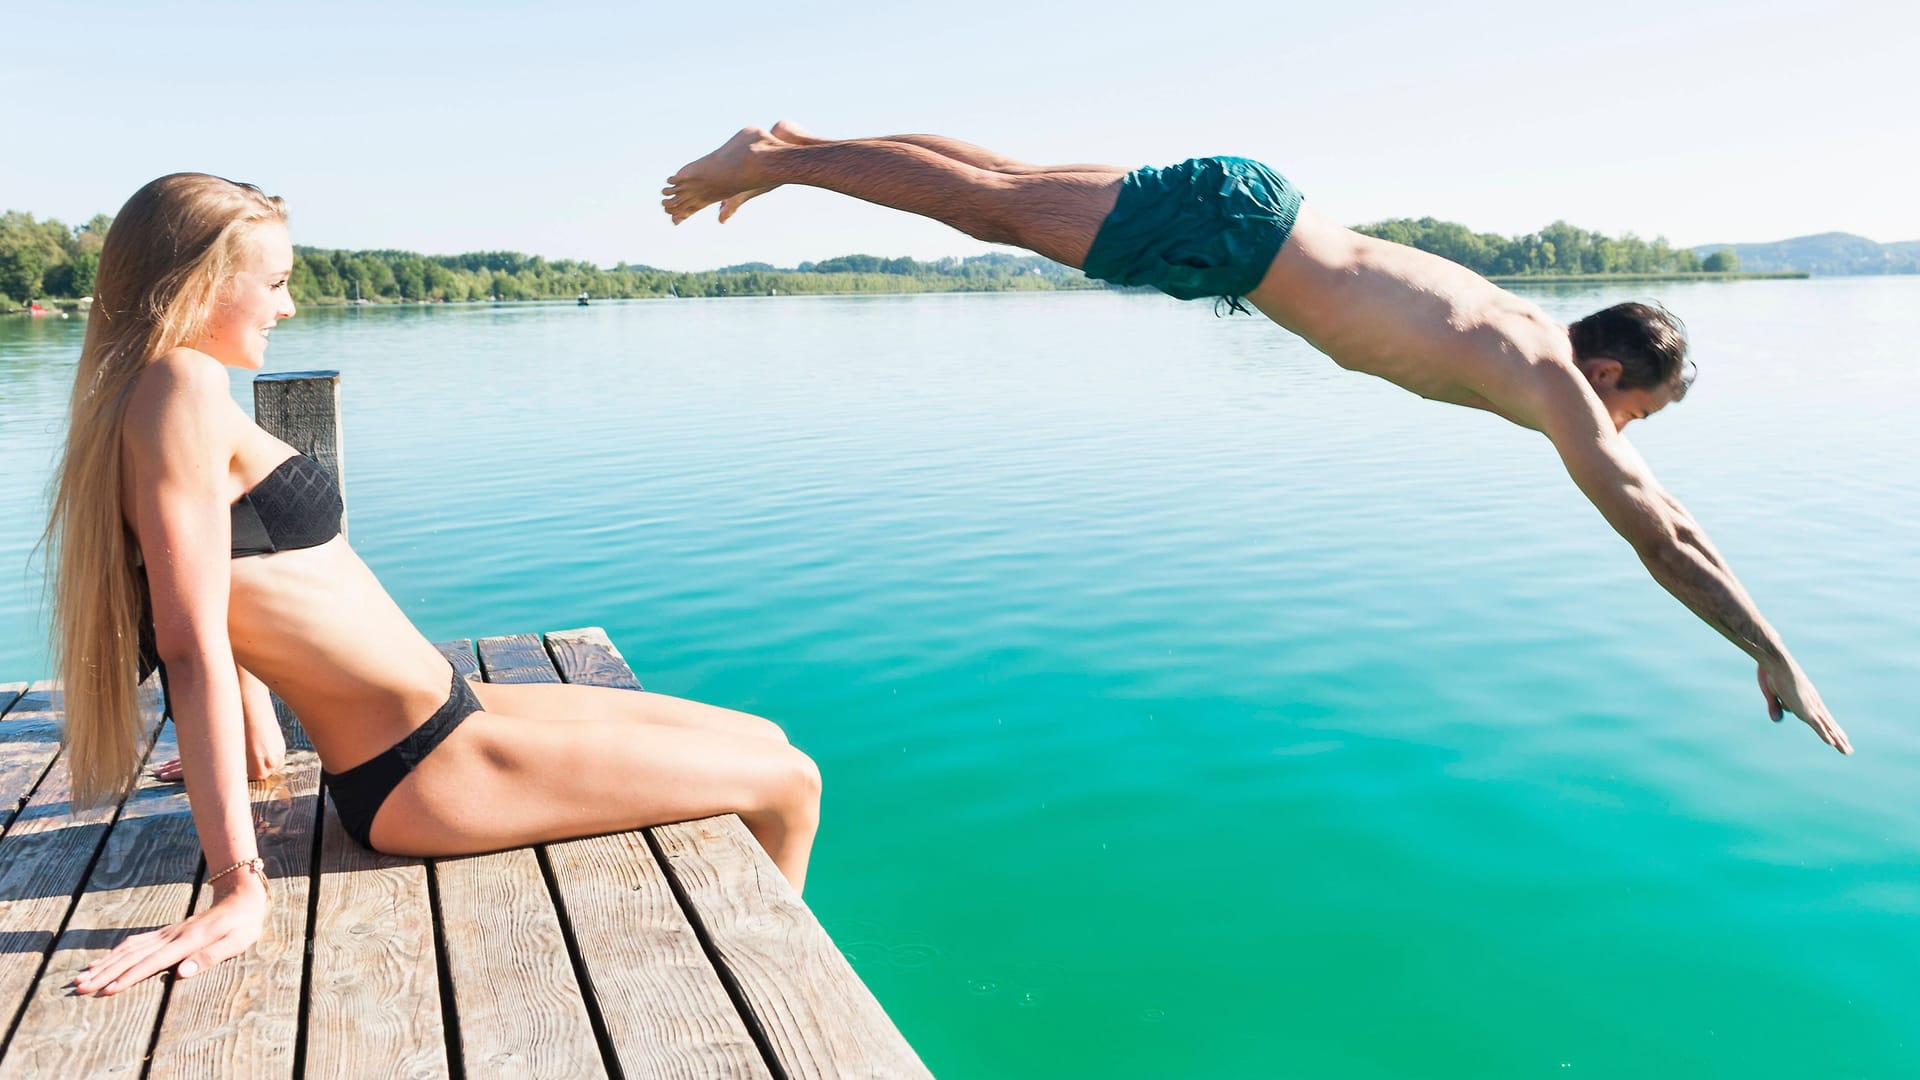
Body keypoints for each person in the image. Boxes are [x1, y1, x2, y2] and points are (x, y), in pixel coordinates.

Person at [663, 123, 1852, 757]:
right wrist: (1772, 651)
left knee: (999, 178)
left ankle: (788, 140)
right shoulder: (1557, 381)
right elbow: (1666, 534)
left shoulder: (1527, 330)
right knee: (983, 202)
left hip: (1246, 209)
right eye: (1636, 412)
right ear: (1610, 375)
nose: (1622, 436)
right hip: (1230, 239)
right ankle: (774, 160)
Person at [52, 173, 824, 998]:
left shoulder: (167, 393)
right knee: (790, 785)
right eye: (274, 283)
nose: (289, 307)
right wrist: (237, 885)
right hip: (423, 767)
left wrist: (251, 745)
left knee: (767, 738)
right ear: (201, 281)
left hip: (454, 712)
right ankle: (771, 1001)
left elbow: (225, 585)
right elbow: (191, 643)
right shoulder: (180, 385)